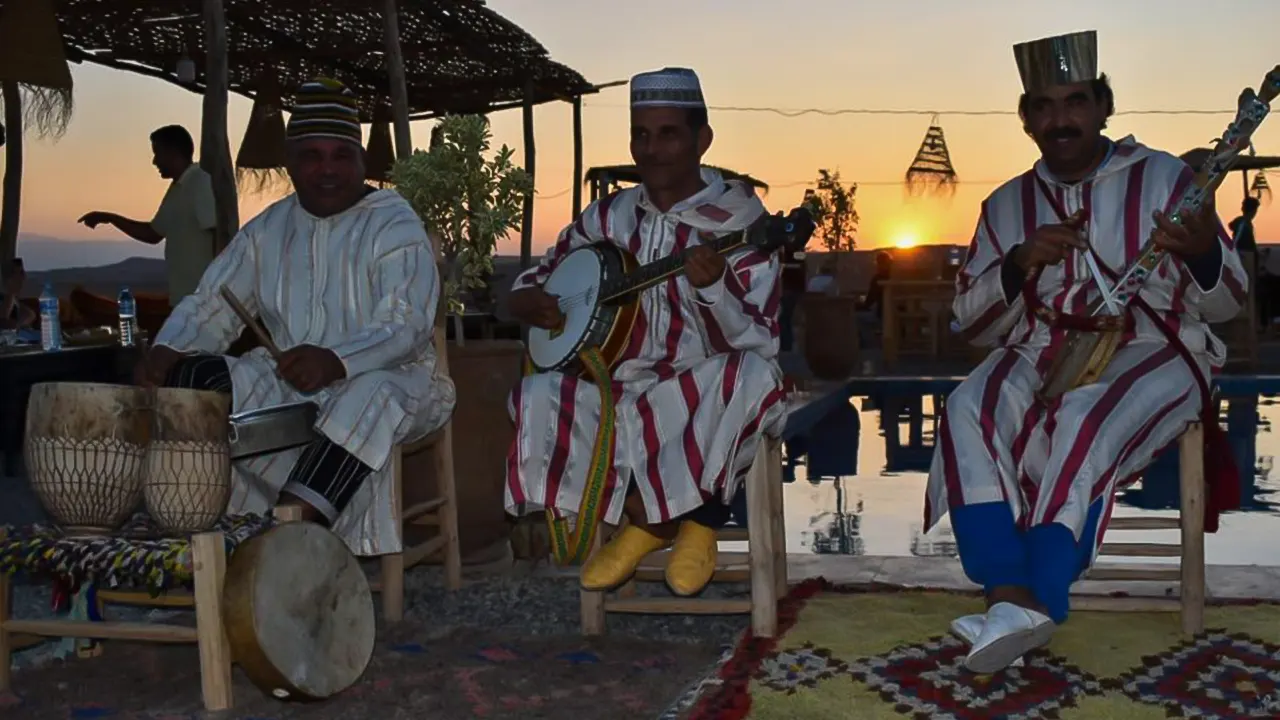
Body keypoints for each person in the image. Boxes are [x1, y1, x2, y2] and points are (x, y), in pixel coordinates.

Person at [928, 30, 1247, 673]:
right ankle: (1005, 591)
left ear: (1104, 105)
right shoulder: (1004, 205)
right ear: (1026, 119)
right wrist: (1019, 264)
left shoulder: (1165, 178)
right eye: (1044, 106)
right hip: (1040, 344)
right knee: (967, 405)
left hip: (1155, 344)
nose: (1061, 119)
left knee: (1082, 417)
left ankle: (1036, 597)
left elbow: (1228, 302)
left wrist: (1200, 251)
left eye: (1075, 102)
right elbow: (973, 323)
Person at [134, 78, 456, 554]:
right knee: (193, 377)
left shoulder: (394, 221)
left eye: (340, 156)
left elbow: (406, 324)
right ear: (291, 162)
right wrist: (167, 349)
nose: (327, 170)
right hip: (288, 383)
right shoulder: (268, 229)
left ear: (360, 161)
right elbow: (212, 303)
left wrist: (336, 359)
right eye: (312, 156)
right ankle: (194, 524)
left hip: (398, 381)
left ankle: (287, 544)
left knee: (370, 394)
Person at [504, 67, 786, 597]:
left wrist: (714, 290)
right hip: (616, 388)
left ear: (702, 139)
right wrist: (526, 301)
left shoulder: (740, 219)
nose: (651, 149)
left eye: (668, 133)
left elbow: (760, 337)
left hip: (696, 387)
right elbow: (541, 277)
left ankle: (691, 523)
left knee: (752, 375)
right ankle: (649, 522)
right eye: (641, 134)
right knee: (538, 390)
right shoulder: (606, 217)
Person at [77, 124, 216, 306]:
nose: (154, 161)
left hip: (206, 301)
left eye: (157, 153)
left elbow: (219, 233)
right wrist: (110, 218)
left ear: (173, 152)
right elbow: (153, 234)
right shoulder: (178, 188)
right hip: (184, 301)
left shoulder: (201, 181)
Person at [856, 251, 893, 348]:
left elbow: (868, 303)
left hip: (881, 315)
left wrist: (856, 305)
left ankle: (866, 345)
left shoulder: (877, 279)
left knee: (855, 317)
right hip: (896, 313)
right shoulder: (894, 278)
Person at [0, 259, 35, 330]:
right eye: (21, 273)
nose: (24, 277)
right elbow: (2, 323)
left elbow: (28, 315)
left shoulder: (13, 298)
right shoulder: (6, 297)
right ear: (9, 278)